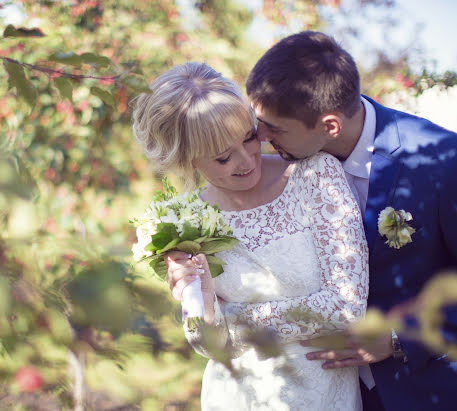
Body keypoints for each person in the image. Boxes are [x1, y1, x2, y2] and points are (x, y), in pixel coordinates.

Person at [237, 31, 457, 410]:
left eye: (274, 128)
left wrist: (397, 337)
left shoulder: (442, 163)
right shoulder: (279, 167)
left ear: (330, 126)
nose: (259, 137)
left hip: (423, 390)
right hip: (319, 392)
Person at [133, 62, 369, 410]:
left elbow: (346, 308)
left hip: (323, 395)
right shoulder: (184, 220)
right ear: (188, 159)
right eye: (223, 157)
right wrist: (201, 307)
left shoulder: (315, 176)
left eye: (248, 138)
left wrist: (229, 320)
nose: (246, 161)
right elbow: (207, 342)